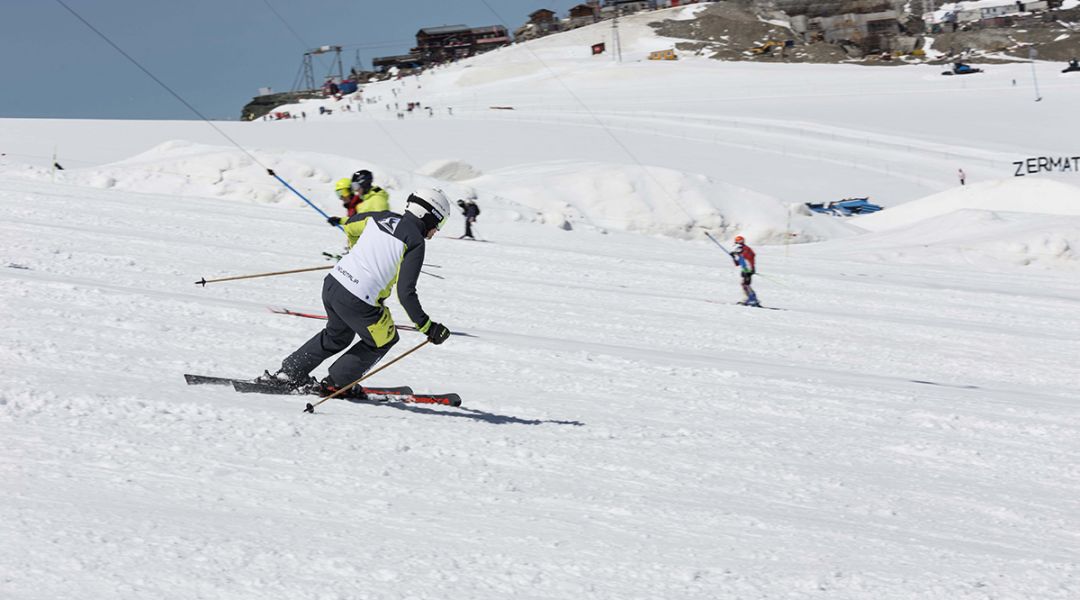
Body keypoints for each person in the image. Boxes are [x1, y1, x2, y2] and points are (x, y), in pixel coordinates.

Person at [254, 188, 453, 396]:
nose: (436, 230)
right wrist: (427, 327)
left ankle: (290, 373)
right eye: (439, 223)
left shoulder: (382, 217)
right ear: (428, 215)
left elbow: (350, 226)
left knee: (337, 336)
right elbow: (406, 293)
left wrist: (358, 255)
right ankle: (337, 384)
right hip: (359, 301)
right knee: (385, 339)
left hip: (333, 284)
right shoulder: (415, 241)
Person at [730, 235, 759, 307]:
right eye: (736, 242)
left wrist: (751, 269)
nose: (737, 243)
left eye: (738, 242)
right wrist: (734, 257)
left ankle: (753, 300)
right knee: (744, 284)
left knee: (746, 284)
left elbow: (751, 257)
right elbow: (737, 263)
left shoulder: (746, 249)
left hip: (748, 269)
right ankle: (749, 298)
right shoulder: (739, 249)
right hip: (744, 269)